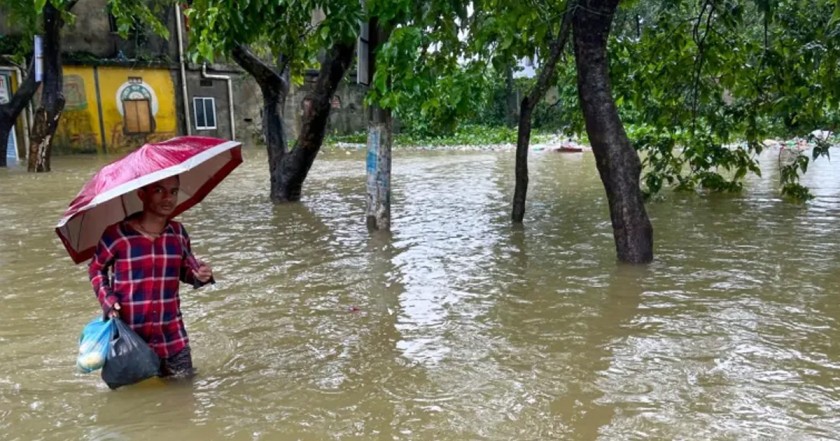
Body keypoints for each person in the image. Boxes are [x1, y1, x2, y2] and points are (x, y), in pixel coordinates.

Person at [89, 175, 214, 378]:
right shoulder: (117, 235)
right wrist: (109, 301)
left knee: (184, 399)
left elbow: (186, 271)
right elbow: (96, 269)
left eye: (173, 191)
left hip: (173, 340)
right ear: (142, 194)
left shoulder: (178, 233)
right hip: (131, 340)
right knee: (133, 403)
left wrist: (201, 275)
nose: (168, 198)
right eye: (159, 191)